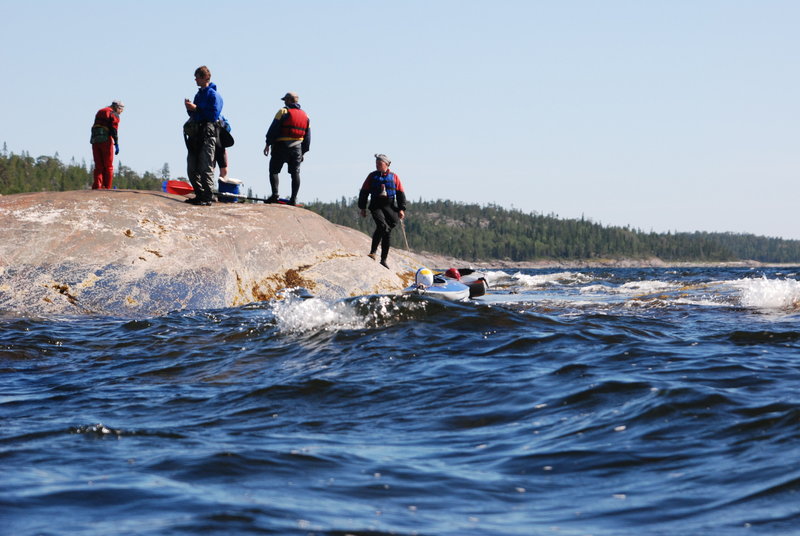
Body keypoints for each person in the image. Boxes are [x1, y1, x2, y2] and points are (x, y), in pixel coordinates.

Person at [358, 153, 407, 268]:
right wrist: (362, 208)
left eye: (379, 163)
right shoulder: (372, 176)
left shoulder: (394, 177)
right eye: (376, 163)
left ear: (386, 164)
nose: (377, 165)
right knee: (382, 226)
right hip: (376, 205)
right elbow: (364, 193)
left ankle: (383, 260)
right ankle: (373, 252)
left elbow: (400, 194)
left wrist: (401, 209)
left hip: (389, 205)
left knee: (387, 231)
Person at [184, 65, 223, 206]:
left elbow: (213, 115)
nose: (195, 80)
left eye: (198, 77)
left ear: (205, 77)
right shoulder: (198, 94)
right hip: (196, 134)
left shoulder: (214, 95)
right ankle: (199, 194)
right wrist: (190, 109)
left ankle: (207, 196)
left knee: (205, 166)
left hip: (207, 133)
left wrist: (196, 108)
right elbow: (196, 114)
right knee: (191, 167)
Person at [263, 92, 310, 205]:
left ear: (289, 101)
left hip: (281, 146)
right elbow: (307, 137)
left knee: (273, 170)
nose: (284, 102)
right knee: (295, 173)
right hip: (297, 148)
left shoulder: (283, 111)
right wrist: (303, 152)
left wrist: (268, 143)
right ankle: (293, 199)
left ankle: (275, 195)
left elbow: (273, 128)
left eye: (285, 100)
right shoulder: (305, 115)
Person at [90, 100, 124, 189]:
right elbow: (114, 129)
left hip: (95, 140)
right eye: (121, 110)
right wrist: (116, 143)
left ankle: (97, 186)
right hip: (105, 140)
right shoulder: (113, 113)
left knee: (98, 165)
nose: (121, 112)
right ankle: (107, 187)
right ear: (117, 107)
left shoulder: (100, 111)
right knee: (108, 166)